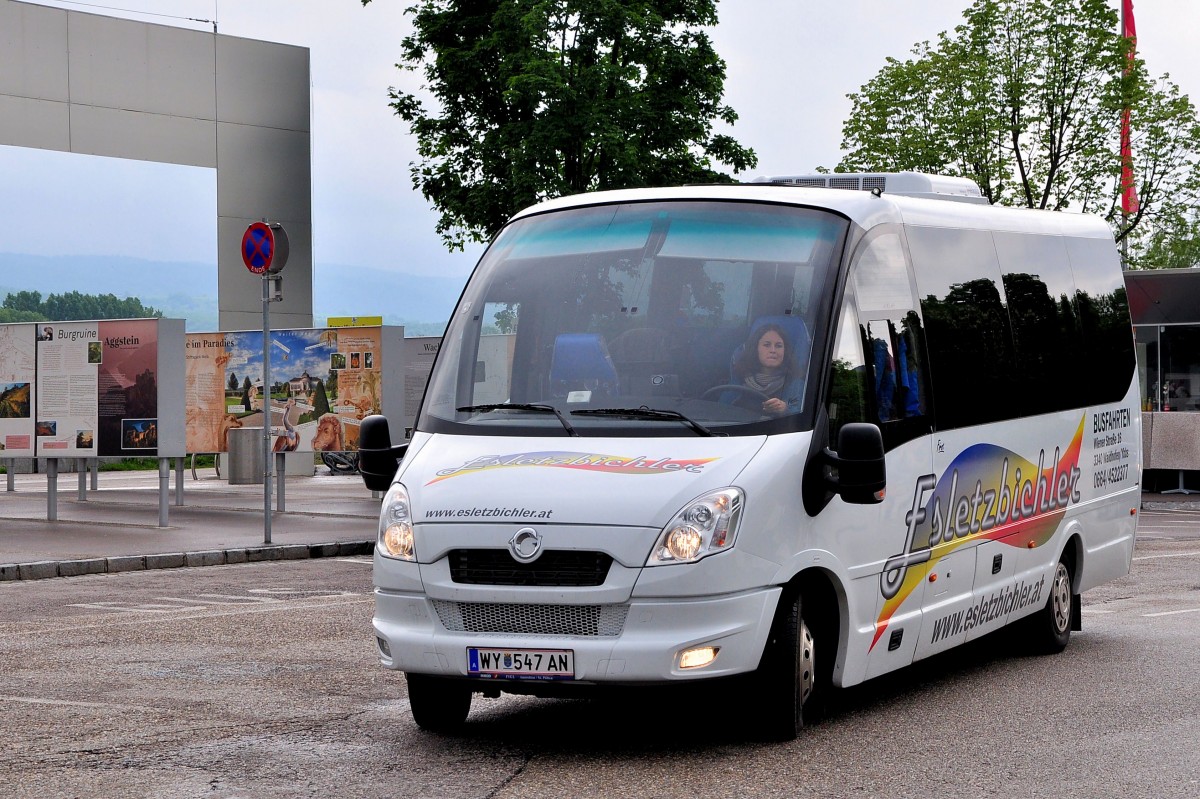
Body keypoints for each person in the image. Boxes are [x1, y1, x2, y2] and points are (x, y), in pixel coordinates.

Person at [728, 323, 804, 416]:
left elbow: (800, 411)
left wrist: (785, 409)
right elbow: (722, 408)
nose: (773, 350)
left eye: (778, 346)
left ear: (785, 351)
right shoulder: (739, 377)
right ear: (756, 349)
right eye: (767, 345)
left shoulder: (795, 384)